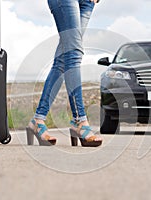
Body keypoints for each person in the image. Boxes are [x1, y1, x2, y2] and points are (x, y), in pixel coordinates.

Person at [26, 0, 102, 147]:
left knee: (62, 60)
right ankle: (80, 121)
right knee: (73, 53)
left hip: (87, 2)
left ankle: (37, 120)